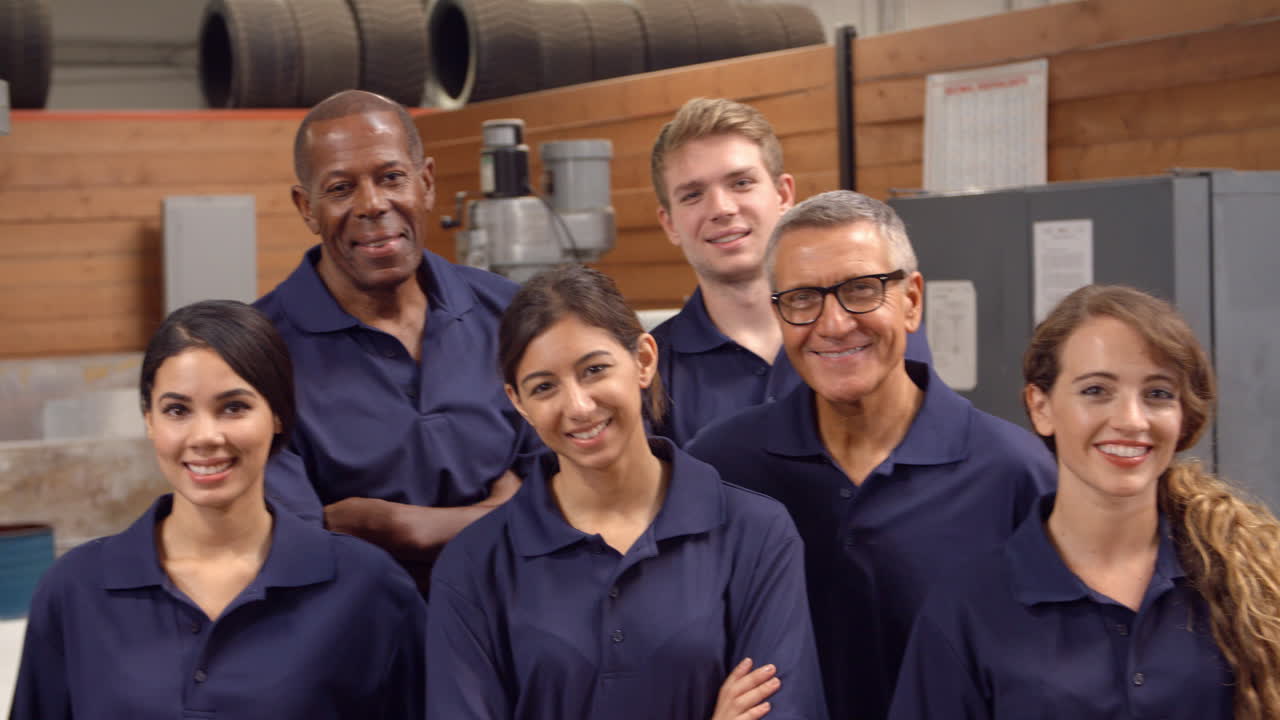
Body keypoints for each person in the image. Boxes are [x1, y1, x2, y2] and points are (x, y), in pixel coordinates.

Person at [686, 190, 1055, 720]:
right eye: (802, 298)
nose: (834, 324)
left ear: (911, 301)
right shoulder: (722, 466)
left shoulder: (1014, 473)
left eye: (861, 290)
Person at [425, 264, 828, 720]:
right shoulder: (474, 566)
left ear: (643, 360)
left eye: (594, 369)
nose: (578, 406)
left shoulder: (757, 535)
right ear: (519, 402)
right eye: (544, 387)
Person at [9, 300, 427, 720]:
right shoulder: (74, 589)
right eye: (177, 410)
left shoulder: (369, 588)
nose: (205, 436)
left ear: (278, 415)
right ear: (149, 420)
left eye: (234, 407)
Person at [889, 285, 1280, 720]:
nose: (1131, 420)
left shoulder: (1250, 582)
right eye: (1096, 391)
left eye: (1158, 394)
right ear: (1041, 408)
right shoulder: (966, 609)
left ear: (1184, 414)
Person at [254, 90, 538, 588]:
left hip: (517, 631)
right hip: (358, 646)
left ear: (425, 183)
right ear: (306, 207)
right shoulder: (257, 353)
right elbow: (287, 543)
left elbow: (578, 496)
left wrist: (408, 529)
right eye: (341, 188)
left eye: (391, 178)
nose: (372, 204)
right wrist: (500, 515)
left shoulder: (512, 313)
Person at [649, 98, 930, 446]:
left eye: (741, 183)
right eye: (693, 195)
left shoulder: (874, 327)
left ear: (783, 195)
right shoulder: (650, 370)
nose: (721, 208)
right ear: (669, 223)